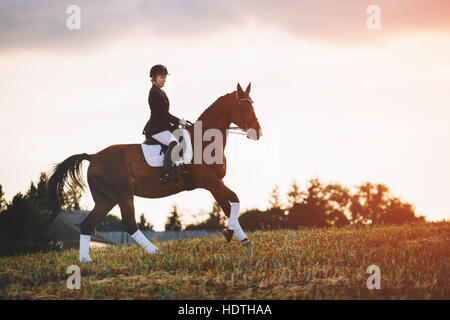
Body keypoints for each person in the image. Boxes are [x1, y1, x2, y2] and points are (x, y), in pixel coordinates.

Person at [142, 64, 190, 183]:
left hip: (162, 126)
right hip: (156, 128)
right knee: (173, 142)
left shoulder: (159, 91)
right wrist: (179, 121)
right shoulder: (154, 93)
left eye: (165, 77)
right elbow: (162, 114)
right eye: (161, 77)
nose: (164, 80)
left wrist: (177, 124)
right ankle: (166, 174)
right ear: (154, 78)